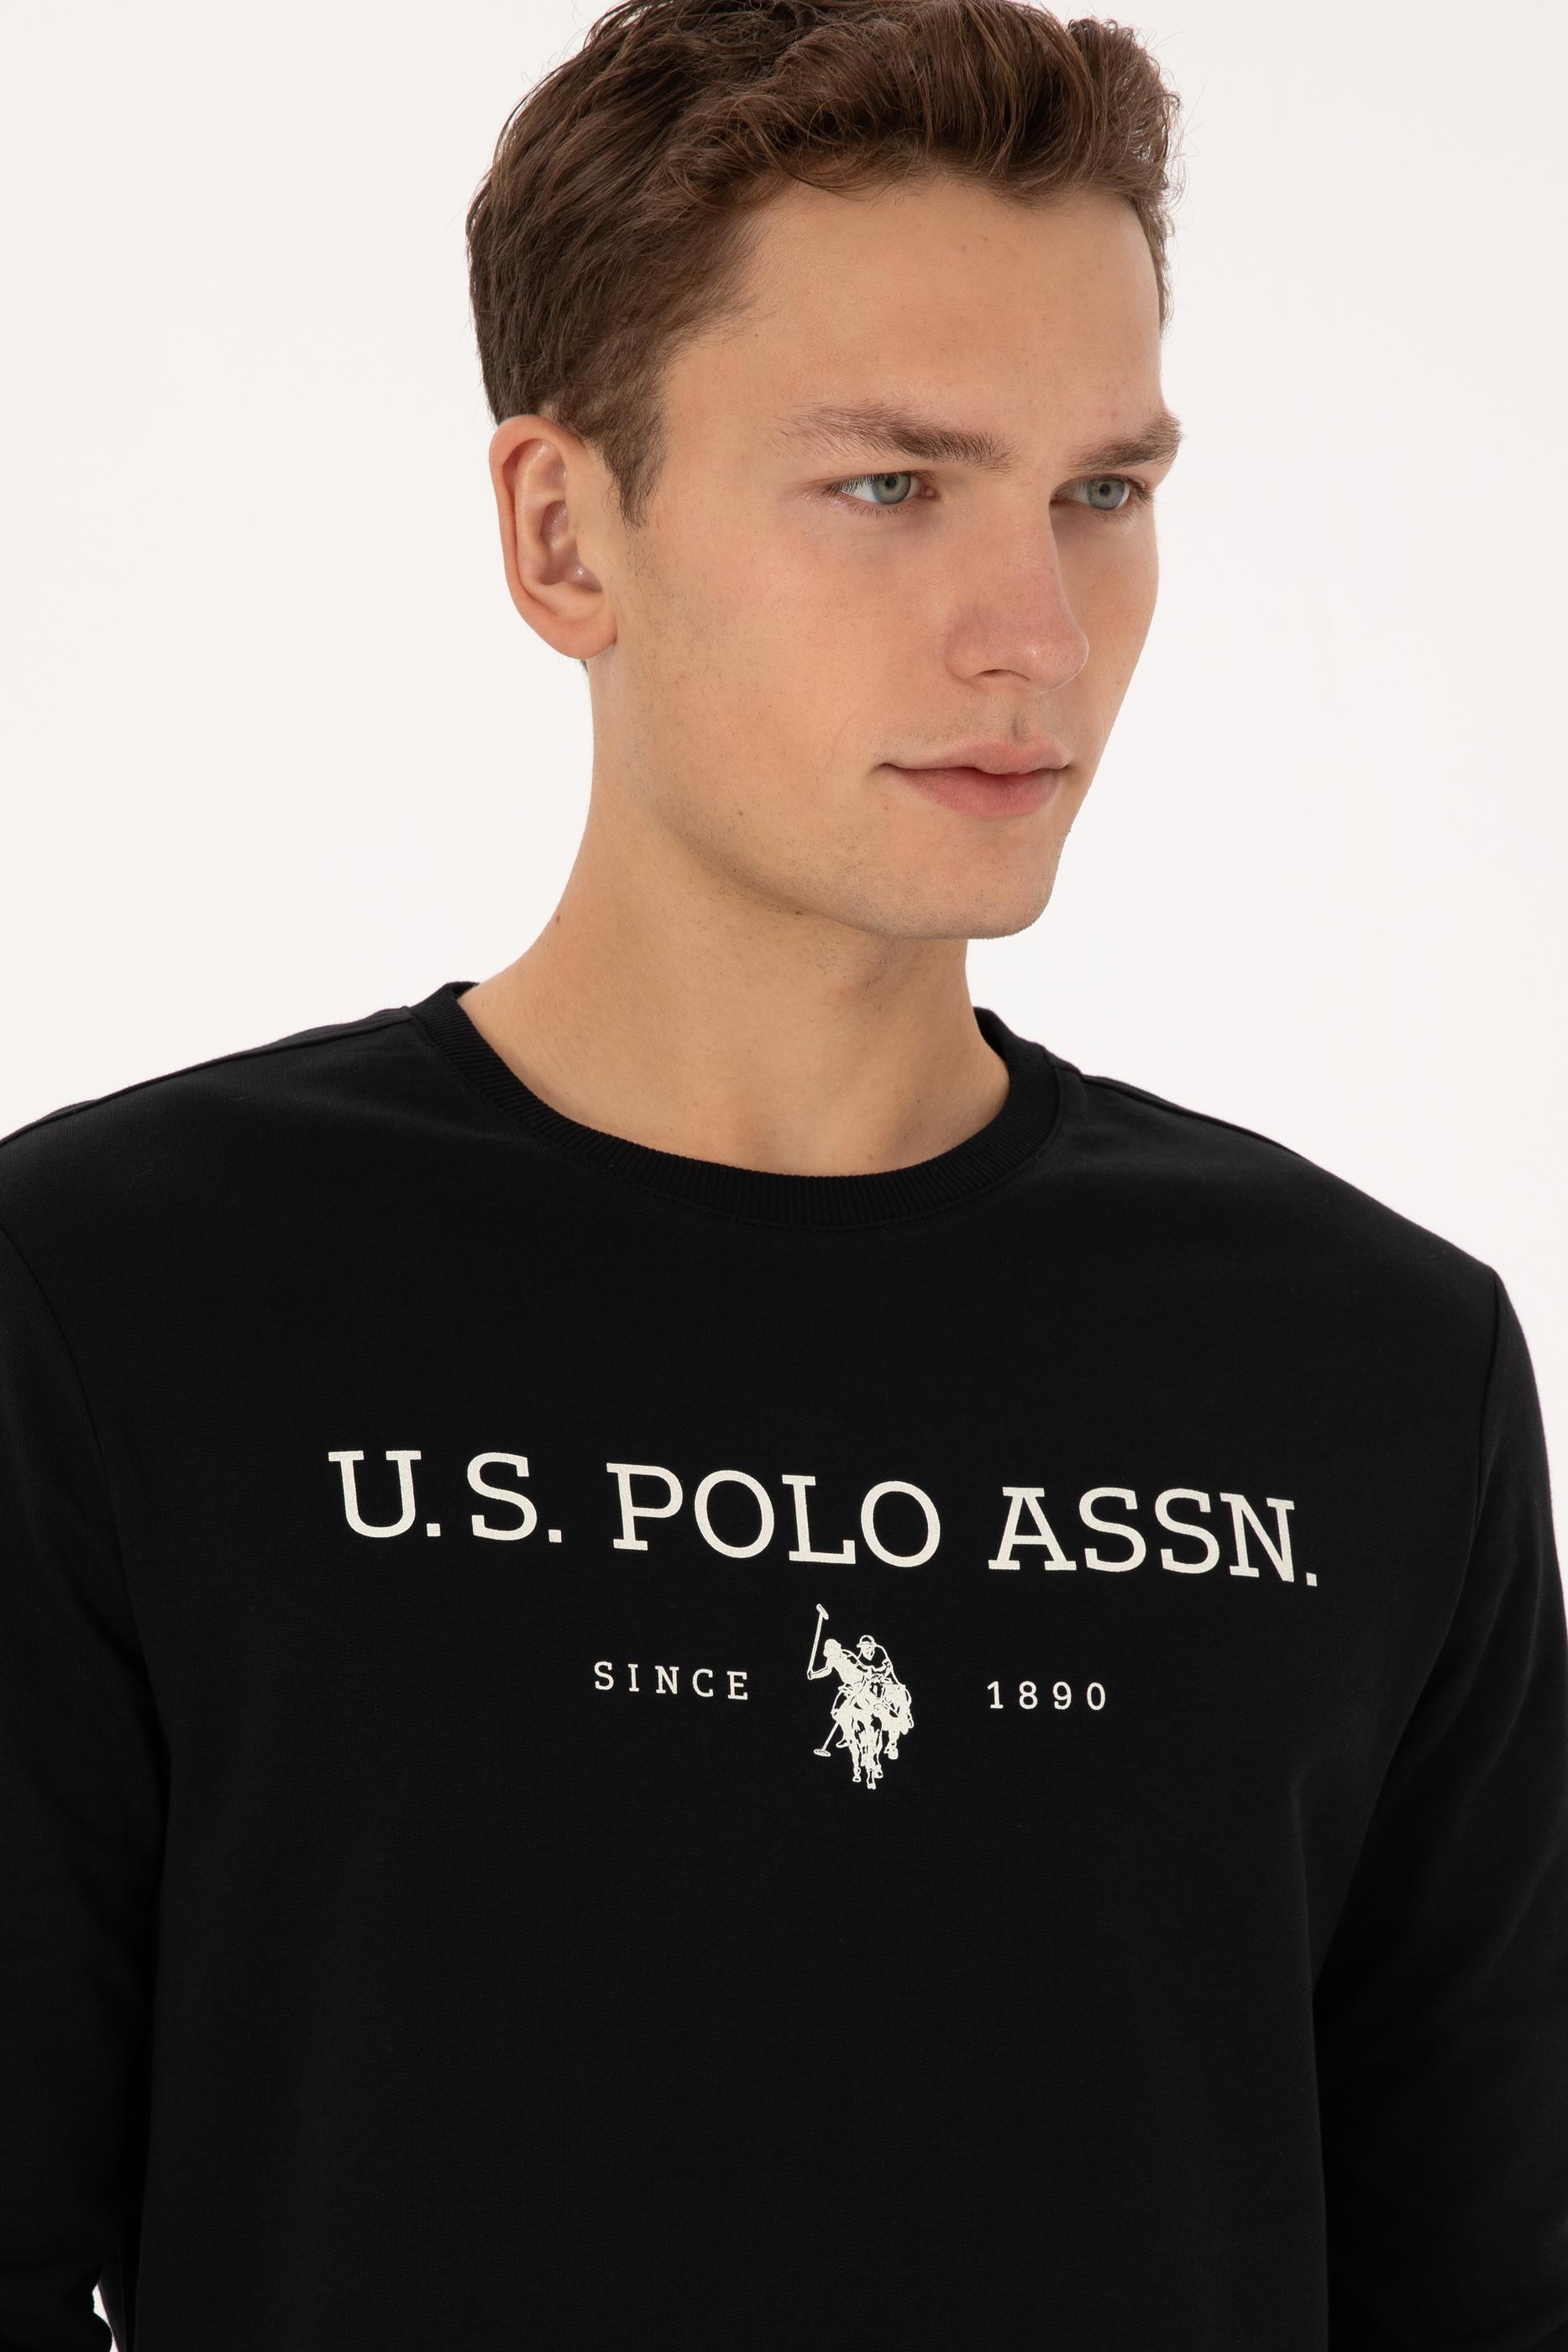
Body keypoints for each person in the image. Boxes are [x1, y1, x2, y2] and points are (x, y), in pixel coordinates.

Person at [1, 0, 1564, 2344]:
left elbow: (1490, 2289)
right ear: (564, 533)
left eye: (1101, 493)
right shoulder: (117, 1306)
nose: (1034, 634)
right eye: (892, 485)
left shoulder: (1374, 1373)